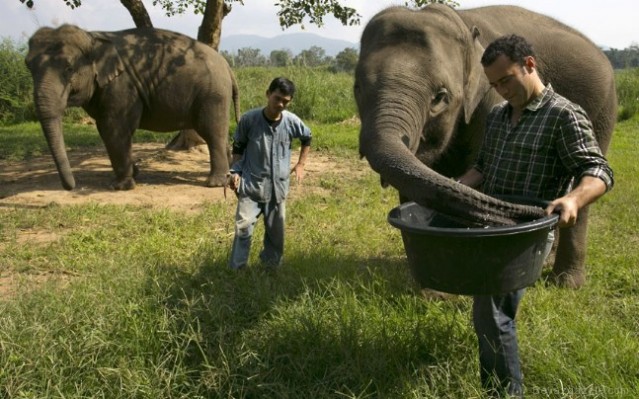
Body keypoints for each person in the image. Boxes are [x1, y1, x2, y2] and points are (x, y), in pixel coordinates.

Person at [456, 35, 614, 397]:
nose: (500, 89)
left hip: (526, 233)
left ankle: (505, 392)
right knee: (489, 310)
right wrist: (456, 188)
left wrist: (574, 199)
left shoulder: (563, 114)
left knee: (493, 314)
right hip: (492, 226)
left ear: (529, 64)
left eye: (506, 79)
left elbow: (598, 170)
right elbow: (482, 167)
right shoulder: (498, 116)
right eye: (494, 84)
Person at [228, 77, 312, 271]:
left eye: (286, 101)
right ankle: (237, 270)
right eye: (277, 98)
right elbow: (238, 146)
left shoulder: (291, 122)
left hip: (278, 188)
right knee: (243, 228)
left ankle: (271, 269)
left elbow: (307, 137)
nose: (280, 104)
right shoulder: (249, 120)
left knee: (276, 233)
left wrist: (301, 164)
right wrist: (234, 171)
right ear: (268, 94)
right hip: (251, 185)